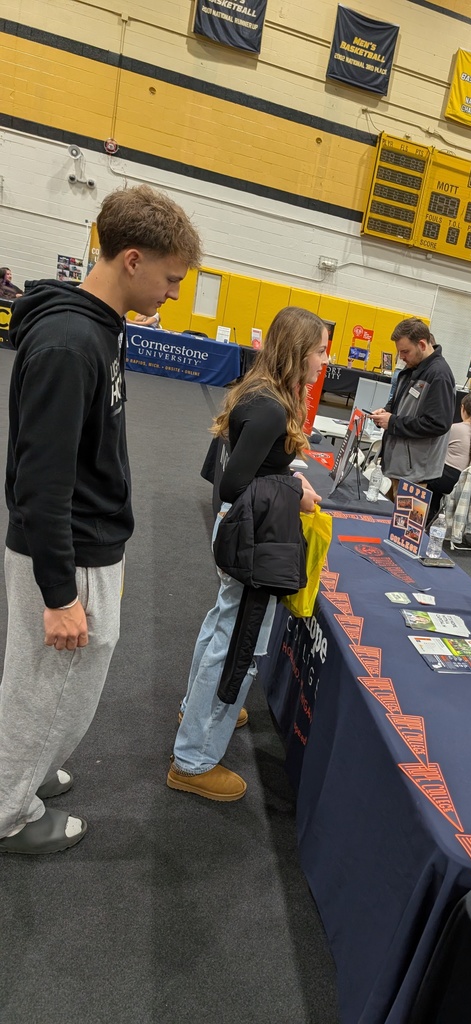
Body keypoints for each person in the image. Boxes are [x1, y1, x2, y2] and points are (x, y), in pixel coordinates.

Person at [0, 184, 202, 855]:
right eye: (172, 278)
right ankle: (6, 811)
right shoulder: (67, 341)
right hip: (67, 553)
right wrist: (59, 594)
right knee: (44, 687)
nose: (175, 292)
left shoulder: (101, 328)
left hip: (89, 543)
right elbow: (40, 478)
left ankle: (23, 772)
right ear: (134, 260)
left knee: (65, 682)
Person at [168, 306, 326, 801]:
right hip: (249, 535)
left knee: (223, 627)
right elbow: (236, 481)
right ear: (297, 352)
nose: (326, 360)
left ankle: (196, 709)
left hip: (240, 532)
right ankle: (192, 761)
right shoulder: (271, 407)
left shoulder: (262, 395)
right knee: (236, 646)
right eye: (320, 350)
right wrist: (292, 488)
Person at [370, 317, 455, 486]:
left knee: (404, 514)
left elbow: (437, 423)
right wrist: (386, 413)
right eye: (399, 352)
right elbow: (403, 404)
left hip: (415, 473)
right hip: (398, 465)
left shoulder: (439, 375)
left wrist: (393, 422)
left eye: (405, 351)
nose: (401, 357)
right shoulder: (413, 368)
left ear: (422, 345)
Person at [423, 393, 471, 523]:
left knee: (430, 477)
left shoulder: (453, 428)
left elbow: (436, 452)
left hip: (450, 482)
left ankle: (429, 519)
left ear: (462, 408)